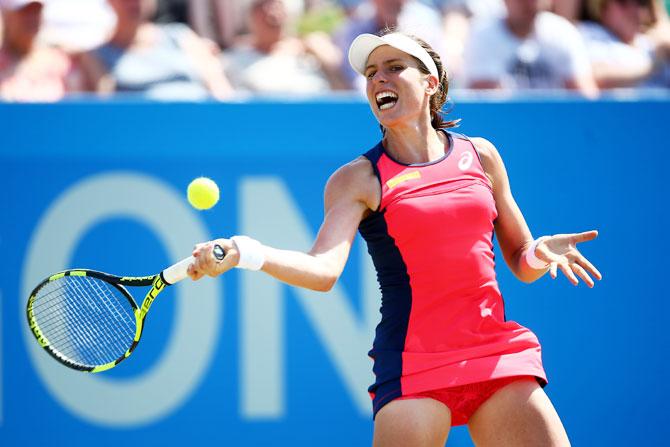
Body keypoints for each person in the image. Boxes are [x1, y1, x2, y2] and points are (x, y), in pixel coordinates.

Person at [188, 29, 601, 446]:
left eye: (393, 68)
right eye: (371, 73)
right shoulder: (358, 179)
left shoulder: (481, 155)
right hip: (413, 363)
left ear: (430, 82)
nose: (378, 80)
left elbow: (520, 261)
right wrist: (246, 251)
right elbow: (322, 269)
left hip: (494, 352)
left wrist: (540, 253)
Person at [78, 0, 232, 100]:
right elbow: (105, 106)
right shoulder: (96, 55)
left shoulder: (182, 36)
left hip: (199, 128)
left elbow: (221, 91)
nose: (136, 3)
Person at [462, 0, 599, 96]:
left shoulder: (563, 32)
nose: (530, 3)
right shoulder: (483, 35)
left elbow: (584, 96)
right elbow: (487, 103)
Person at [222, 0, 347, 94]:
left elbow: (345, 89)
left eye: (277, 5)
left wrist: (321, 53)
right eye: (262, 7)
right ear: (250, 16)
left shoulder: (313, 49)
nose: (271, 13)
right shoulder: (234, 58)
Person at [0, 0, 85, 101]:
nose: (32, 18)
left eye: (36, 11)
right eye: (24, 12)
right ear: (7, 16)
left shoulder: (60, 62)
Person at [579, 0, 670, 88]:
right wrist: (652, 67)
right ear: (603, 6)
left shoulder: (653, 42)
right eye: (623, 1)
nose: (634, 10)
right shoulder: (589, 34)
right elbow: (590, 77)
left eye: (641, 2)